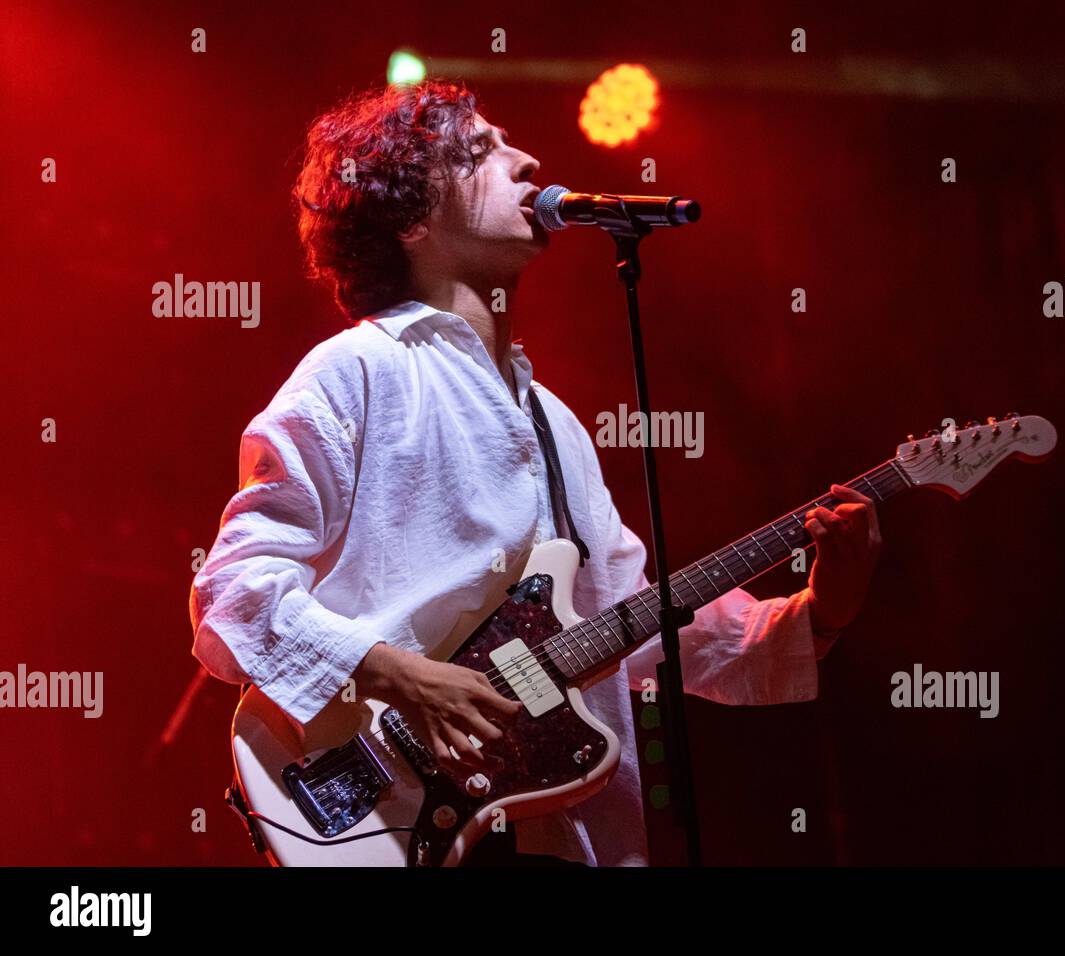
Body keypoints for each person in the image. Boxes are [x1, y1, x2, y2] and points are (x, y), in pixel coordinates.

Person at [189, 80, 882, 867]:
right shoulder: (355, 371)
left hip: (558, 835)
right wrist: (405, 679)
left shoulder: (554, 420)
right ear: (412, 218)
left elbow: (628, 618)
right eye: (481, 151)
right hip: (397, 815)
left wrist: (815, 615)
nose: (528, 161)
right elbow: (236, 591)